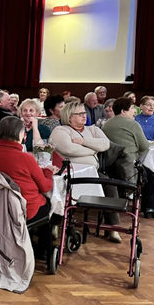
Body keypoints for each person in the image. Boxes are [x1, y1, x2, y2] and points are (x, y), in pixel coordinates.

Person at [49, 99, 122, 243]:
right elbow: (69, 149)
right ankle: (56, 224)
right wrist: (93, 150)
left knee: (110, 186)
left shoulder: (93, 129)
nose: (84, 116)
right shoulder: (61, 130)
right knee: (62, 189)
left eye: (84, 113)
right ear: (69, 116)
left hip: (93, 172)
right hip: (69, 172)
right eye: (80, 114)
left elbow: (105, 144)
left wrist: (83, 142)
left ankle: (111, 227)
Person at [0, 116, 57, 221]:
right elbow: (45, 187)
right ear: (20, 134)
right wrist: (48, 171)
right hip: (24, 208)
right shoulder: (26, 158)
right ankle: (42, 237)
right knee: (47, 203)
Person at [102, 97, 154, 219]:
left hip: (109, 165)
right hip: (129, 166)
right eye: (131, 108)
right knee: (151, 174)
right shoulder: (133, 124)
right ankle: (149, 207)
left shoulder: (106, 124)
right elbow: (144, 146)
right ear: (123, 111)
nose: (134, 111)